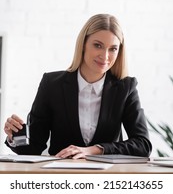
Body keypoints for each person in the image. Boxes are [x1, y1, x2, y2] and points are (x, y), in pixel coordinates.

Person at [4, 13, 152, 159]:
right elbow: (34, 147)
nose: (105, 56)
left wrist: (94, 150)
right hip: (61, 177)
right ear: (83, 45)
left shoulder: (126, 87)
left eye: (113, 49)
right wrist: (15, 135)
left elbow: (143, 145)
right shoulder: (52, 84)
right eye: (98, 45)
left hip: (108, 177)